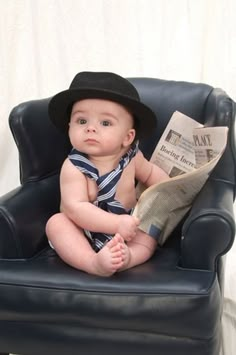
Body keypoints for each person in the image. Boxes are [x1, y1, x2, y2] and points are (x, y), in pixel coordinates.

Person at [46, 71, 169, 276]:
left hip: (129, 225)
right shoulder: (74, 166)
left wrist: (172, 188)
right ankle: (92, 262)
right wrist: (115, 224)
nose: (91, 129)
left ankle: (128, 257)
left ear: (128, 137)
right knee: (57, 224)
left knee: (150, 229)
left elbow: (151, 175)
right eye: (81, 121)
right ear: (69, 127)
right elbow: (75, 208)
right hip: (85, 230)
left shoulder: (132, 157)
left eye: (105, 123)